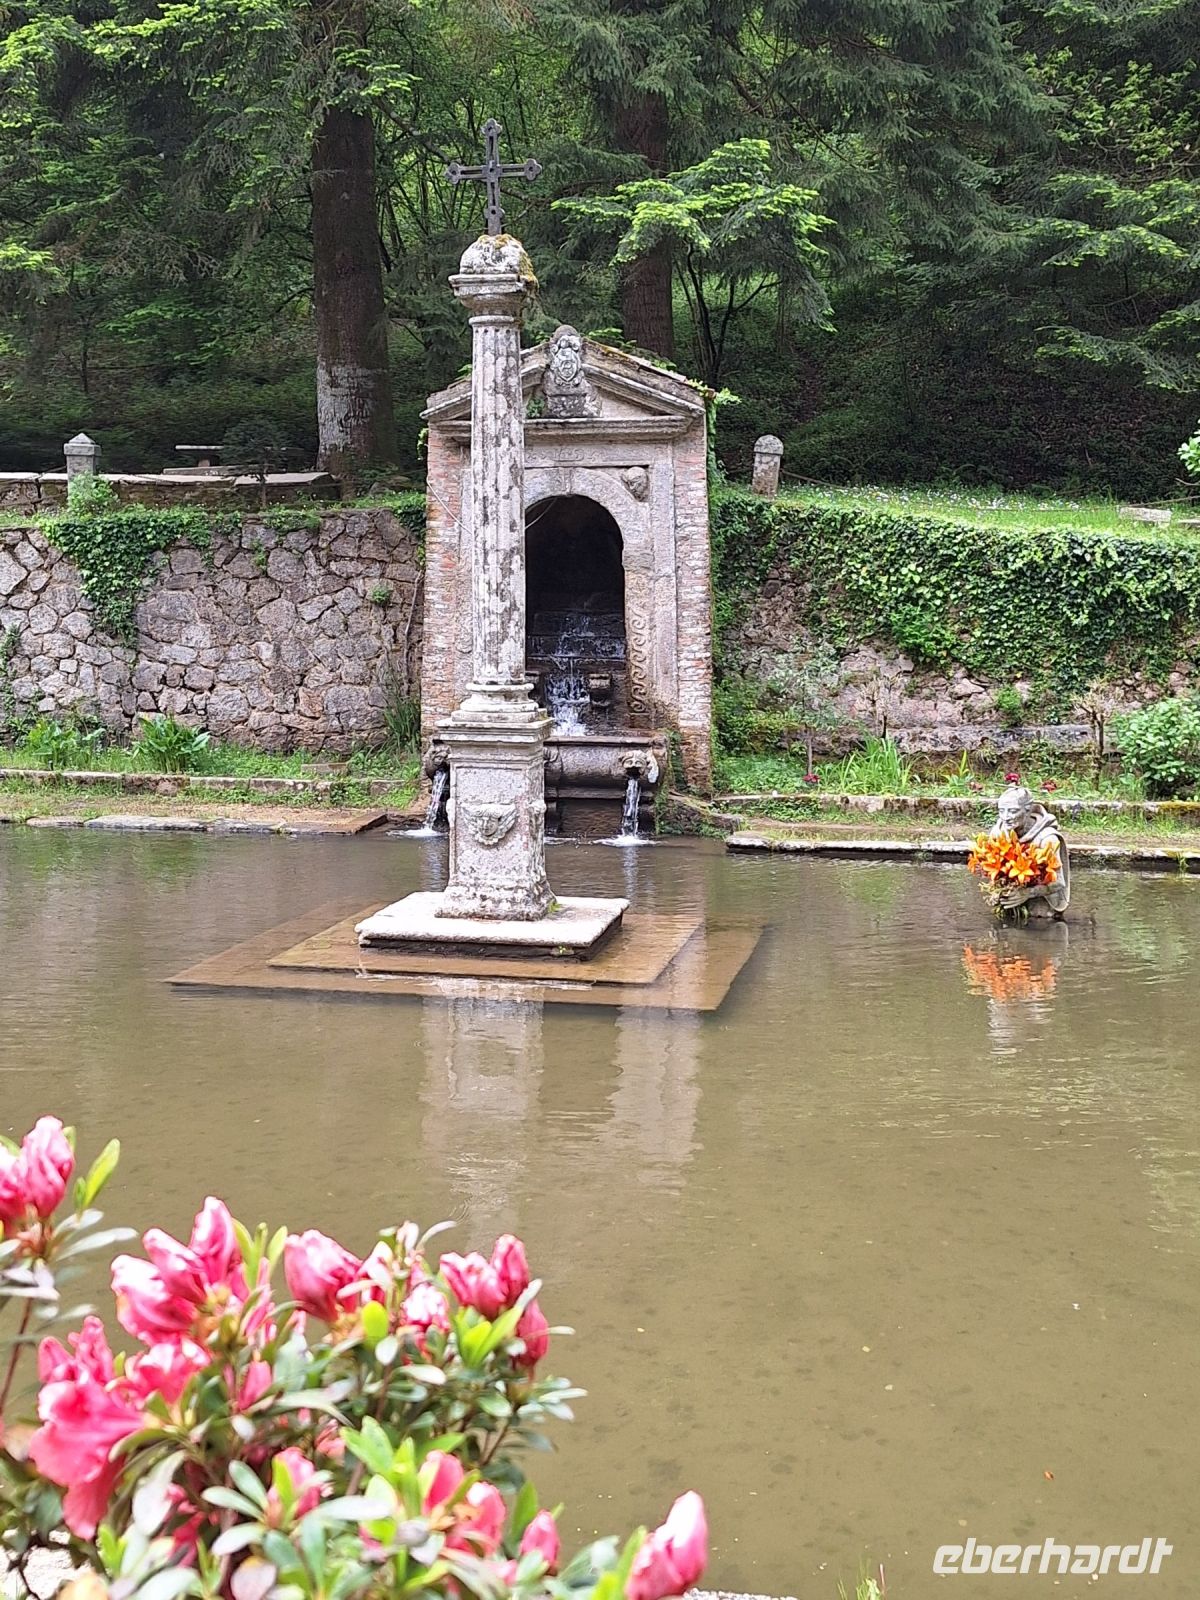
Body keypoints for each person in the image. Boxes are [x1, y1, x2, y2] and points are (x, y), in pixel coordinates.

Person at [990, 784, 1070, 915]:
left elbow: (1059, 882)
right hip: (1010, 903)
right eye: (1001, 811)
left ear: (1028, 810)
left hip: (1040, 907)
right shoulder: (998, 833)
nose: (1005, 817)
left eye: (1013, 811)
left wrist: (1028, 893)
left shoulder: (1047, 839)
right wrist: (997, 890)